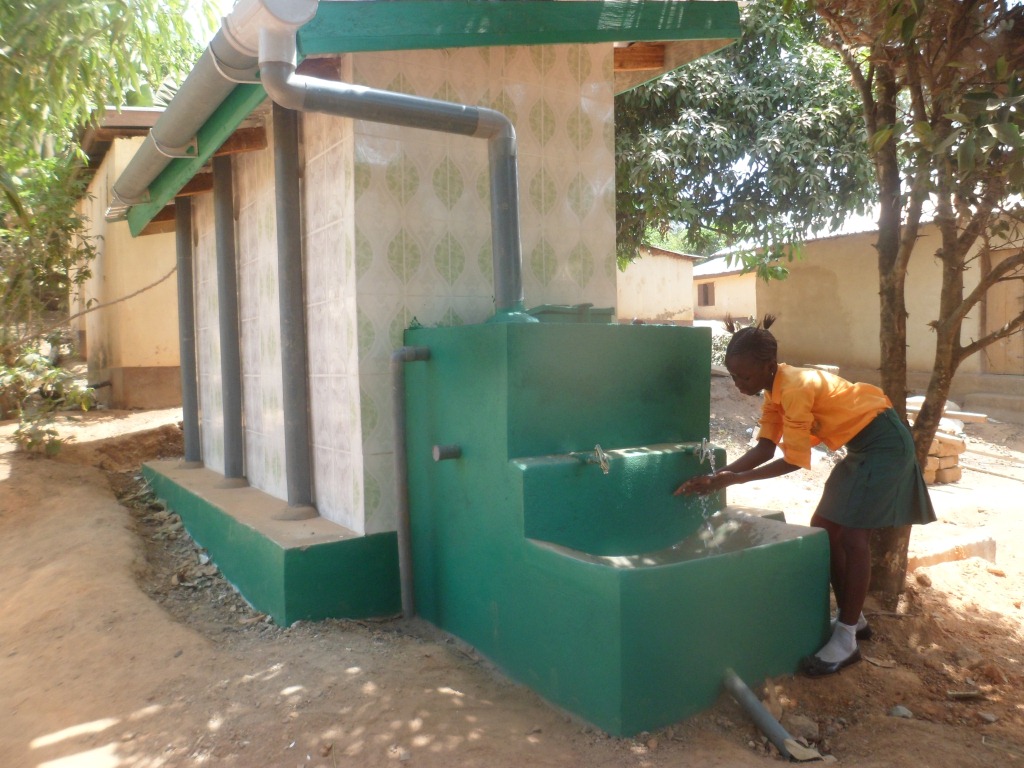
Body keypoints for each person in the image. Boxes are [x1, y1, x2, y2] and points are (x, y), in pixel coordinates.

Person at [676, 316, 936, 677]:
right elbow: (766, 448)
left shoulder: (795, 387)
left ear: (768, 367)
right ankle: (854, 619)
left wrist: (727, 482)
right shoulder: (773, 391)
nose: (737, 384)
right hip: (860, 448)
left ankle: (845, 641)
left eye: (744, 377)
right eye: (733, 376)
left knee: (854, 536)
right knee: (824, 528)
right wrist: (717, 476)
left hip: (884, 445)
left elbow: (795, 460)